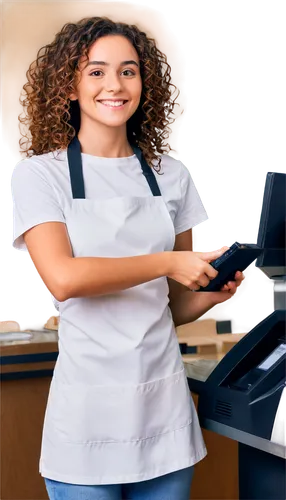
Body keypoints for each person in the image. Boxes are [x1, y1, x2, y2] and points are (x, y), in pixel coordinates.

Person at [10, 16, 246, 500]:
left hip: (164, 414)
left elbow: (170, 305)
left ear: (144, 83)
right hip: (87, 422)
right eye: (95, 72)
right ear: (68, 87)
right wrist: (167, 263)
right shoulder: (39, 176)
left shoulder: (173, 176)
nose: (114, 85)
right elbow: (63, 278)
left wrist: (214, 297)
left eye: (128, 71)